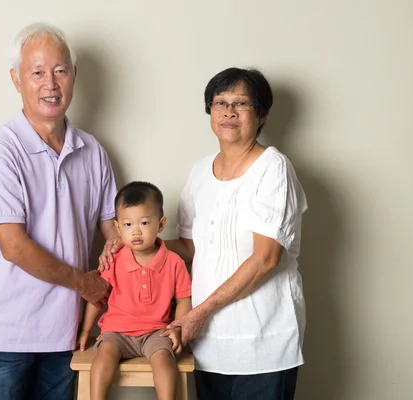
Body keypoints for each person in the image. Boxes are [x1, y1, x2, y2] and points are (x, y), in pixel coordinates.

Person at [101, 67, 308, 400]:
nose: (228, 111)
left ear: (262, 115)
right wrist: (127, 247)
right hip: (208, 343)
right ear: (210, 112)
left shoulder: (274, 168)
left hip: (261, 342)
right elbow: (189, 247)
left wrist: (196, 315)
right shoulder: (200, 172)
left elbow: (266, 259)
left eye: (241, 103)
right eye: (219, 102)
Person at [0, 22, 120, 400]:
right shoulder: (0, 152)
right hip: (4, 337)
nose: (50, 83)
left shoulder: (92, 150)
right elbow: (13, 247)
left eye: (60, 70)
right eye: (37, 72)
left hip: (66, 337)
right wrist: (86, 285)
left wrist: (119, 254)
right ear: (17, 80)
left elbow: (114, 230)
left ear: (74, 76)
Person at [80, 181, 192, 400]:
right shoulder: (114, 260)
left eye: (144, 222)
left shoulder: (174, 261)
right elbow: (97, 298)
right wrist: (85, 331)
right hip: (117, 331)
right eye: (128, 224)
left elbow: (184, 300)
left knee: (164, 360)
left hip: (156, 331)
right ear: (118, 227)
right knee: (103, 356)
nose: (136, 231)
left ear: (160, 224)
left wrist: (178, 328)